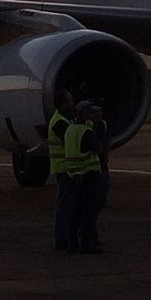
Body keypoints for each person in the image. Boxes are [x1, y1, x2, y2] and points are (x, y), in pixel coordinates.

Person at [64, 101, 105, 254]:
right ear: (83, 115)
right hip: (88, 175)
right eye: (90, 113)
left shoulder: (70, 129)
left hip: (74, 175)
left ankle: (72, 241)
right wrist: (97, 130)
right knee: (89, 210)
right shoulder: (86, 131)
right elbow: (99, 148)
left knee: (76, 209)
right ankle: (86, 242)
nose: (93, 116)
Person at [48, 90, 76, 251]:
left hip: (70, 169)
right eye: (70, 101)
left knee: (70, 205)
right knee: (65, 206)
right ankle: (62, 240)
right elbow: (73, 141)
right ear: (63, 104)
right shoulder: (59, 122)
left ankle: (68, 238)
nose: (72, 103)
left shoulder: (65, 119)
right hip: (65, 169)